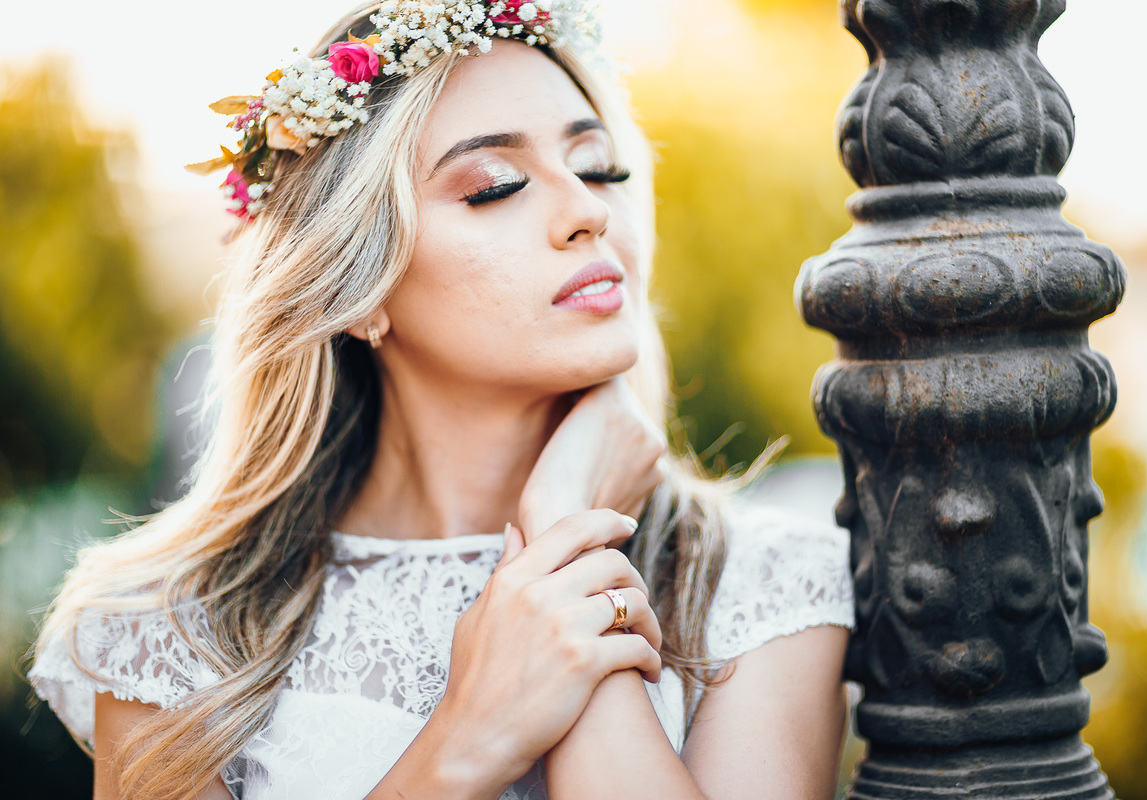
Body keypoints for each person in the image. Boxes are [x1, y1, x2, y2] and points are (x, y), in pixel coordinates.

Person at [28, 2, 854, 798]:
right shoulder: (174, 629)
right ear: (360, 291)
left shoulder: (766, 582)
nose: (588, 211)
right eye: (496, 186)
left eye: (598, 166)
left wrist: (565, 536)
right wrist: (471, 735)